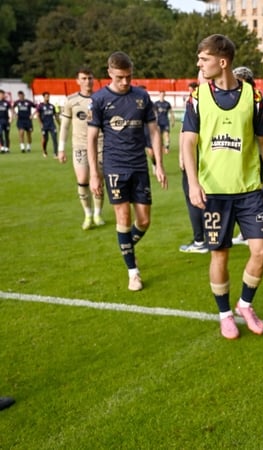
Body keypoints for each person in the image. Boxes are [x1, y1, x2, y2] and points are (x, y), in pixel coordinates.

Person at [181, 34, 263, 339]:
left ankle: (245, 304)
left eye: (204, 58)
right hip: (214, 192)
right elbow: (188, 141)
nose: (199, 63)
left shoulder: (254, 97)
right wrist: (193, 183)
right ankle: (225, 314)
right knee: (220, 255)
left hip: (250, 190)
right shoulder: (198, 97)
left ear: (222, 62)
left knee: (261, 250)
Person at [87, 51, 168, 292]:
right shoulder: (100, 99)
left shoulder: (142, 96)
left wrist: (159, 165)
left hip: (139, 165)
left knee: (144, 220)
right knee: (123, 218)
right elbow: (91, 138)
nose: (125, 82)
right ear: (110, 73)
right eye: (120, 77)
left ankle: (126, 248)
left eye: (129, 77)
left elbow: (153, 131)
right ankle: (133, 272)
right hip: (114, 166)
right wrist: (94, 172)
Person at [59, 67, 106, 230]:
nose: (87, 81)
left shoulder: (101, 99)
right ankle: (87, 214)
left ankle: (98, 213)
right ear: (78, 81)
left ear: (94, 80)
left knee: (99, 179)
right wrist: (61, 149)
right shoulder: (71, 101)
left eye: (90, 78)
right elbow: (64, 126)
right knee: (83, 180)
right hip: (79, 146)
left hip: (100, 146)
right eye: (84, 78)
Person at [178, 78, 208, 254]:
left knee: (194, 198)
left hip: (196, 157)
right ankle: (215, 237)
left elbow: (185, 131)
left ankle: (199, 241)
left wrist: (183, 155)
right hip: (210, 158)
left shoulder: (195, 100)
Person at [35, 92, 59, 158]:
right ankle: (44, 151)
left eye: (48, 96)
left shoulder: (52, 106)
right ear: (43, 97)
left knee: (54, 139)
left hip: (52, 125)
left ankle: (55, 153)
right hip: (44, 125)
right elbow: (38, 115)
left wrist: (59, 124)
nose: (47, 98)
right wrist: (41, 124)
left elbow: (56, 116)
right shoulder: (40, 106)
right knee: (45, 139)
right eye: (46, 96)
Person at [0, 89, 10, 153]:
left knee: (6, 134)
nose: (2, 95)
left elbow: (11, 110)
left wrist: (11, 118)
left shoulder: (6, 103)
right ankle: (2, 147)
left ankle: (7, 148)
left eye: (3, 94)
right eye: (1, 94)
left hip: (6, 120)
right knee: (0, 134)